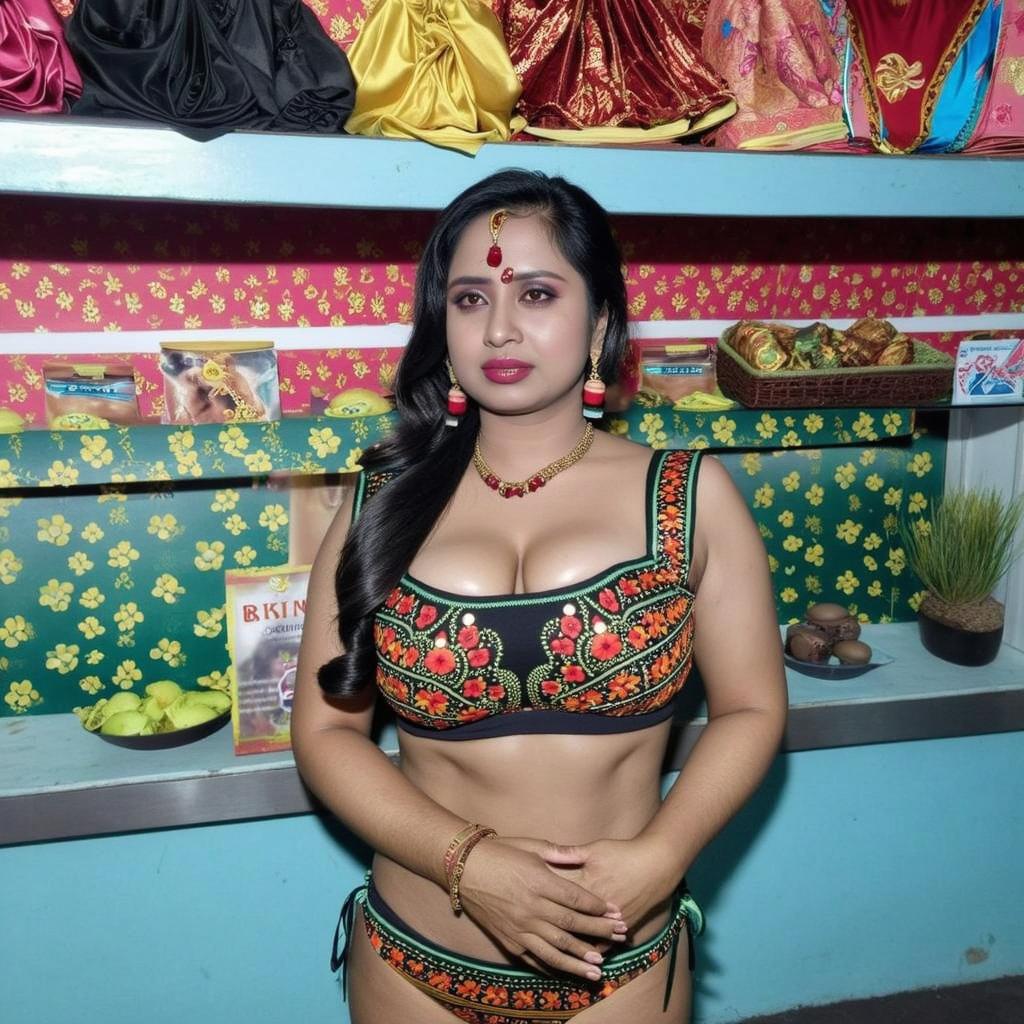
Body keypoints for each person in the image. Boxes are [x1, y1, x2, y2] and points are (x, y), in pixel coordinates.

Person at [292, 169, 787, 1024]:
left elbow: (751, 711)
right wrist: (466, 862)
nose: (503, 327)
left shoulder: (689, 497)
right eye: (471, 298)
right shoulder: (379, 504)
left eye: (538, 292)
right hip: (415, 963)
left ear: (599, 321)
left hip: (617, 967)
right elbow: (327, 732)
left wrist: (663, 853)